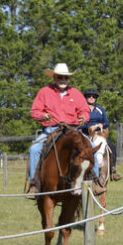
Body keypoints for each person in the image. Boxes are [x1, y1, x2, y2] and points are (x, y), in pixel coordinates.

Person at [26, 63, 90, 198]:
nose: (63, 80)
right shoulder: (45, 92)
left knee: (92, 147)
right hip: (51, 129)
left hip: (72, 129)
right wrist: (43, 115)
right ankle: (34, 184)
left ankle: (94, 181)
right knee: (34, 150)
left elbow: (84, 110)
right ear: (54, 77)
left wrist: (83, 117)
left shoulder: (76, 93)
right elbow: (34, 111)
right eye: (60, 77)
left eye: (65, 77)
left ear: (68, 79)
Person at [80, 87, 121, 181]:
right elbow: (79, 123)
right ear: (85, 98)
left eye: (93, 96)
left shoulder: (100, 109)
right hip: (85, 134)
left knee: (111, 146)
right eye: (89, 96)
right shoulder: (82, 109)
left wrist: (99, 126)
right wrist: (88, 127)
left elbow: (106, 122)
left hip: (99, 134)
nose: (91, 98)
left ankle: (113, 170)